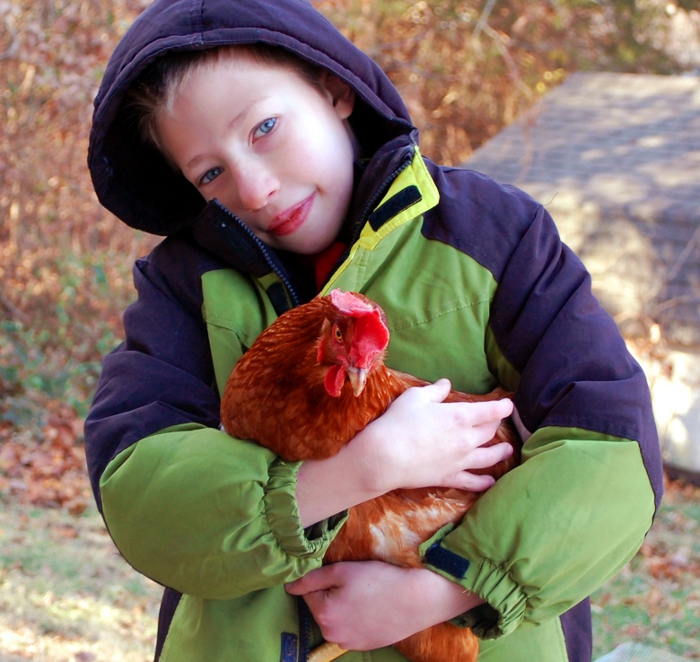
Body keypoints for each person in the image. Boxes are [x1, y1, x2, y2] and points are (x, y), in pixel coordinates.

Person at [84, 1, 663, 660]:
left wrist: (445, 593)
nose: (254, 187)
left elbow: (609, 447)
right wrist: (358, 471)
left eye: (265, 127)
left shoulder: (492, 235)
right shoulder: (185, 287)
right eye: (209, 172)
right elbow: (140, 490)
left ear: (333, 90)